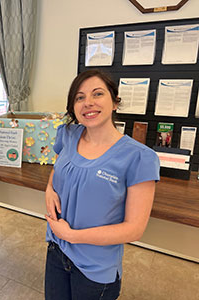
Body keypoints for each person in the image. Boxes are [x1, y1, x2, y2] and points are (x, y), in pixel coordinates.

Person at [44, 69, 160, 300]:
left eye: (97, 94)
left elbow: (134, 229)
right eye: (79, 97)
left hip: (95, 268)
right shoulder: (68, 134)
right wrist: (49, 189)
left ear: (115, 102)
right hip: (57, 251)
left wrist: (73, 235)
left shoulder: (139, 157)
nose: (88, 103)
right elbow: (59, 168)